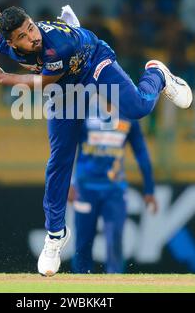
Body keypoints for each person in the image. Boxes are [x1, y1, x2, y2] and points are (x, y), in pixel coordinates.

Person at [0, 0, 192, 277]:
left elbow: (45, 82)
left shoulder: (53, 46)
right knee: (59, 158)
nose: (32, 36)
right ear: (10, 42)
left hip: (89, 59)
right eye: (24, 36)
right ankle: (56, 234)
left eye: (31, 27)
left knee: (138, 109)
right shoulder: (2, 38)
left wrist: (3, 78)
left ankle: (156, 74)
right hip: (63, 83)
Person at [68, 95, 157, 273]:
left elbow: (141, 152)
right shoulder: (85, 111)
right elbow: (68, 148)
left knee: (114, 240)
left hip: (115, 190)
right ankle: (79, 286)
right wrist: (69, 182)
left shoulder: (129, 116)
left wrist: (149, 189)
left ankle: (115, 285)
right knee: (83, 243)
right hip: (86, 188)